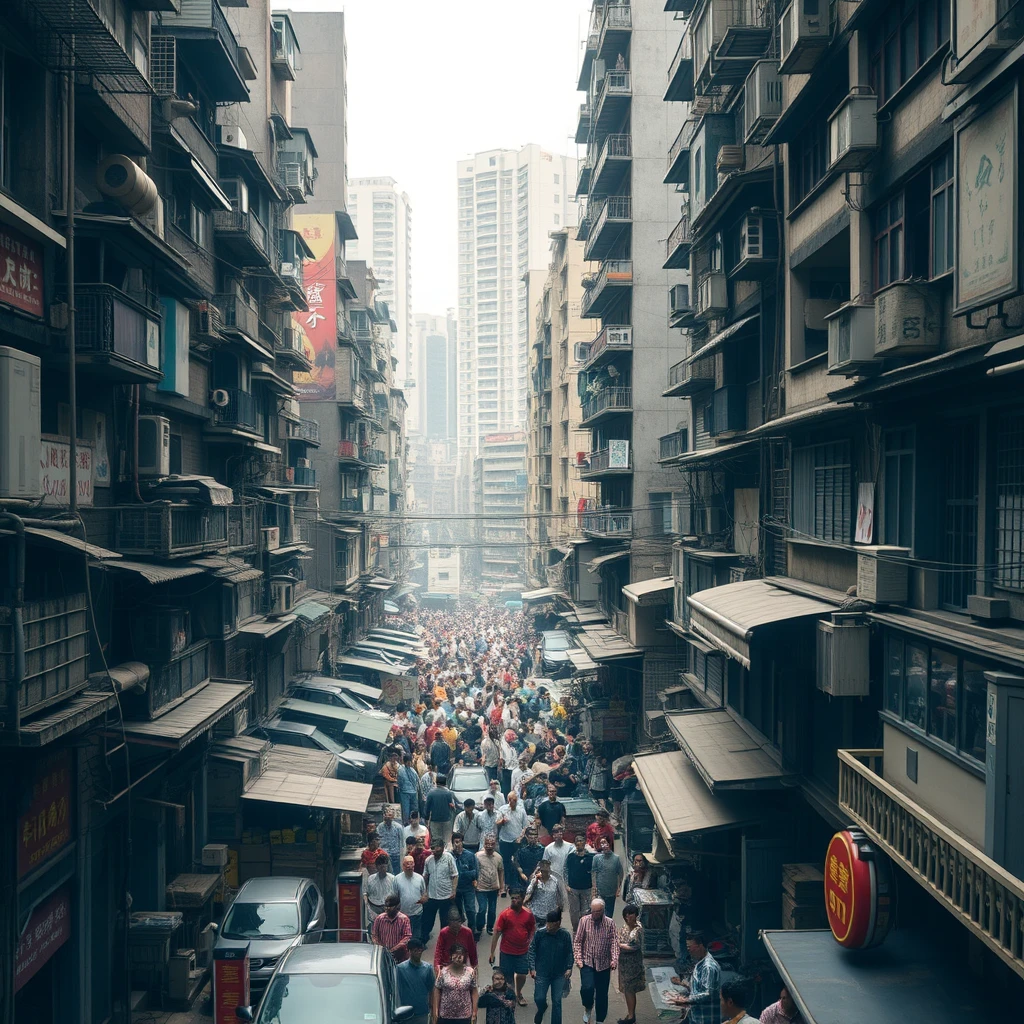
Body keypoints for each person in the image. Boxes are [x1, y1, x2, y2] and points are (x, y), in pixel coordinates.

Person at [573, 898, 619, 1024]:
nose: (595, 914)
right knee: (587, 988)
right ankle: (588, 1007)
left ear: (603, 911)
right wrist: (578, 959)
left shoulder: (610, 923)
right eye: (593, 911)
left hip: (604, 963)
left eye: (598, 912)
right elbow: (577, 941)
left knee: (602, 994)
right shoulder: (584, 921)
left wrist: (614, 959)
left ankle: (600, 1019)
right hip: (587, 962)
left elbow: (614, 942)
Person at [489, 890, 536, 1007]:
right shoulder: (505, 915)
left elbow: (532, 930)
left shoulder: (528, 914)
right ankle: (509, 996)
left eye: (517, 898)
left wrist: (529, 942)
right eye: (512, 898)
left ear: (522, 899)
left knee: (522, 974)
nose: (514, 900)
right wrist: (492, 952)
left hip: (523, 952)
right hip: (507, 951)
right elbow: (497, 933)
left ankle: (518, 992)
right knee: (507, 976)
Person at [665, 930, 720, 1024]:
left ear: (700, 946)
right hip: (696, 1015)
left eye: (689, 947)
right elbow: (698, 988)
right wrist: (683, 986)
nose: (688, 950)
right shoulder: (699, 963)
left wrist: (686, 1000)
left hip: (704, 1018)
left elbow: (708, 994)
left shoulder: (708, 967)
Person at [530, 910, 574, 1024]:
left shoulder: (565, 935)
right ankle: (542, 1008)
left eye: (551, 924)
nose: (548, 926)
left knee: (557, 1001)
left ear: (558, 923)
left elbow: (570, 952)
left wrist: (569, 967)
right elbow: (532, 950)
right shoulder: (540, 934)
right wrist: (532, 968)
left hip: (559, 973)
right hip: (542, 972)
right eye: (547, 923)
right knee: (539, 998)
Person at [422, 837, 460, 942]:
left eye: (437, 848)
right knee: (427, 921)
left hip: (446, 895)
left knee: (445, 921)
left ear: (443, 848)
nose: (435, 851)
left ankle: (445, 941)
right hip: (432, 895)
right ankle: (424, 939)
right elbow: (425, 876)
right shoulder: (428, 860)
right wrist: (425, 892)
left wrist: (453, 891)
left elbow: (455, 875)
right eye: (433, 849)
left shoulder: (448, 858)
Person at [433, 943, 478, 1024]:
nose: (458, 957)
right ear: (451, 956)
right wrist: (435, 1010)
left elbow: (474, 991)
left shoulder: (470, 972)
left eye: (461, 955)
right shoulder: (443, 972)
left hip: (464, 1015)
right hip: (445, 1015)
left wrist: (474, 1013)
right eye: (456, 954)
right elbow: (437, 990)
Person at [615, 904, 644, 1024]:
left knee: (630, 988)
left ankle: (631, 1016)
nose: (628, 917)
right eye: (626, 915)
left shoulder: (638, 929)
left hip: (633, 963)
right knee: (627, 989)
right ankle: (631, 1013)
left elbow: (635, 946)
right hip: (624, 963)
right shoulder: (624, 927)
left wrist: (621, 945)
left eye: (631, 914)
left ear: (636, 915)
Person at [496, 791, 529, 895]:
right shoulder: (502, 809)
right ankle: (505, 885)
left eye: (514, 800)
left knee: (517, 862)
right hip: (505, 840)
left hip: (517, 840)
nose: (512, 802)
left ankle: (518, 884)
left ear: (517, 800)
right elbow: (496, 823)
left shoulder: (521, 811)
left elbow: (525, 826)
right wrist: (502, 822)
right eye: (510, 800)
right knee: (505, 863)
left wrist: (520, 837)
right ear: (507, 800)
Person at [398, 938, 435, 1024]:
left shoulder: (428, 968)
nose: (418, 953)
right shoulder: (400, 969)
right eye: (415, 950)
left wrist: (432, 1008)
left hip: (422, 1011)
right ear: (409, 951)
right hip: (405, 1012)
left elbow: (432, 989)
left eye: (420, 950)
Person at [524, 858, 568, 932]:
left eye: (547, 870)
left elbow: (559, 895)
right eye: (543, 870)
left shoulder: (555, 881)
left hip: (550, 915)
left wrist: (560, 910)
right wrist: (535, 883)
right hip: (536, 914)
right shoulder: (535, 880)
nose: (545, 872)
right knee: (535, 936)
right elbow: (528, 892)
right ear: (540, 870)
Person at [564, 833, 595, 932]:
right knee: (574, 912)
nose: (579, 843)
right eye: (577, 841)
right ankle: (576, 930)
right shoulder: (570, 857)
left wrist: (594, 887)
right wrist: (566, 884)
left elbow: (594, 872)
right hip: (573, 888)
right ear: (575, 843)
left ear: (585, 843)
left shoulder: (590, 857)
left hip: (587, 888)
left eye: (581, 841)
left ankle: (585, 930)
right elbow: (565, 870)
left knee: (586, 911)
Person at [451, 833, 479, 939]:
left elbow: (474, 872)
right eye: (455, 842)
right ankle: (460, 930)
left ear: (462, 842)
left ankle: (472, 930)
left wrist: (464, 875)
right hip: (455, 888)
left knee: (470, 909)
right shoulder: (449, 856)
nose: (457, 844)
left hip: (468, 887)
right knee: (457, 911)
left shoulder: (470, 855)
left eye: (459, 842)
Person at [475, 833, 505, 936]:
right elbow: (474, 871)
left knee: (492, 910)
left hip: (493, 888)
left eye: (492, 844)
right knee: (482, 909)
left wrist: (502, 887)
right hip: (481, 887)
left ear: (495, 844)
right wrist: (474, 883)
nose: (489, 846)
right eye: (487, 844)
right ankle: (479, 926)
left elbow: (501, 872)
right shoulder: (478, 856)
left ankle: (490, 927)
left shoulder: (498, 857)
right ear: (484, 844)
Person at [395, 854, 428, 943]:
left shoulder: (420, 878)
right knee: (403, 938)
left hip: (417, 913)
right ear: (403, 866)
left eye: (412, 863)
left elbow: (424, 893)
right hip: (403, 914)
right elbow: (395, 895)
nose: (410, 866)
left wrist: (424, 899)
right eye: (407, 864)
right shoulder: (397, 879)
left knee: (415, 938)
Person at [434, 906, 479, 971]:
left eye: (458, 924)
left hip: (462, 964)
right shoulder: (443, 933)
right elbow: (439, 951)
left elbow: (472, 951)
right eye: (453, 928)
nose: (456, 929)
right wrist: (437, 967)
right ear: (449, 924)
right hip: (447, 965)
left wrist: (474, 967)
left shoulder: (468, 932)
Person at [371, 893, 412, 963]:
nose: (387, 908)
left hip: (399, 956)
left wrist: (393, 949)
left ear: (397, 906)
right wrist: (381, 947)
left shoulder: (404, 919)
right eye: (386, 906)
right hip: (382, 955)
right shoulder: (379, 919)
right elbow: (374, 935)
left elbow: (407, 937)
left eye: (390, 906)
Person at [591, 837, 623, 919]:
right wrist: (594, 888)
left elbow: (620, 873)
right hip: (600, 891)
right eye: (601, 843)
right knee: (599, 911)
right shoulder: (596, 858)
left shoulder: (616, 858)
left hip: (611, 891)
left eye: (605, 842)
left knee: (609, 913)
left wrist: (619, 888)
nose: (604, 845)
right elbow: (593, 873)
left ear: (609, 844)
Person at [426, 774, 458, 847]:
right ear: (445, 783)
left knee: (436, 839)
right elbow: (452, 806)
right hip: (446, 820)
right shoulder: (448, 793)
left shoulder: (431, 793)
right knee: (446, 840)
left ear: (436, 782)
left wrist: (427, 818)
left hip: (434, 820)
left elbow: (427, 807)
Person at [364, 853, 397, 924]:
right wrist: (368, 909)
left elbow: (396, 895)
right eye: (381, 867)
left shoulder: (392, 879)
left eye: (385, 867)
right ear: (377, 867)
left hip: (388, 908)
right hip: (374, 908)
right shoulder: (370, 879)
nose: (383, 869)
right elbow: (365, 894)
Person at [377, 805, 405, 875]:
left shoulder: (398, 827)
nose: (388, 817)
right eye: (386, 814)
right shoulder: (379, 827)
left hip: (395, 854)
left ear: (393, 816)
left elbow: (402, 842)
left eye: (390, 815)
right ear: (384, 816)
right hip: (384, 854)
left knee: (395, 874)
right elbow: (377, 840)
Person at [399, 754, 422, 825]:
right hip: (405, 792)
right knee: (406, 809)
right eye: (408, 762)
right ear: (405, 762)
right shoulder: (401, 770)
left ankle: (415, 822)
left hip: (414, 792)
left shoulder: (412, 770)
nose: (409, 763)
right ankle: (406, 823)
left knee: (415, 808)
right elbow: (400, 781)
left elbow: (417, 780)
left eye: (410, 762)